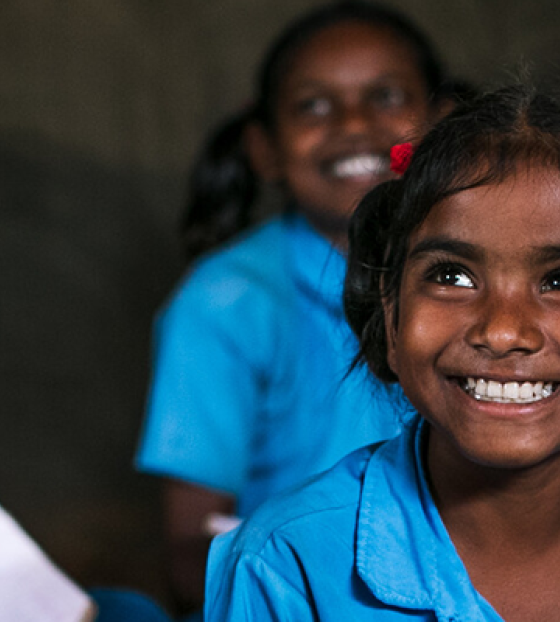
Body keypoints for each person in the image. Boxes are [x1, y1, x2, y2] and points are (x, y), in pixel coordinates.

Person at [205, 83, 560, 621]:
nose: (504, 331)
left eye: (558, 281)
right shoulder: (286, 563)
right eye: (452, 275)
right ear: (390, 318)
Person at [136, 1, 446, 614]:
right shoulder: (226, 301)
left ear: (446, 125)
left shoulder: (480, 282)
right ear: (264, 148)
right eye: (313, 105)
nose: (355, 123)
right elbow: (187, 549)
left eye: (387, 96)